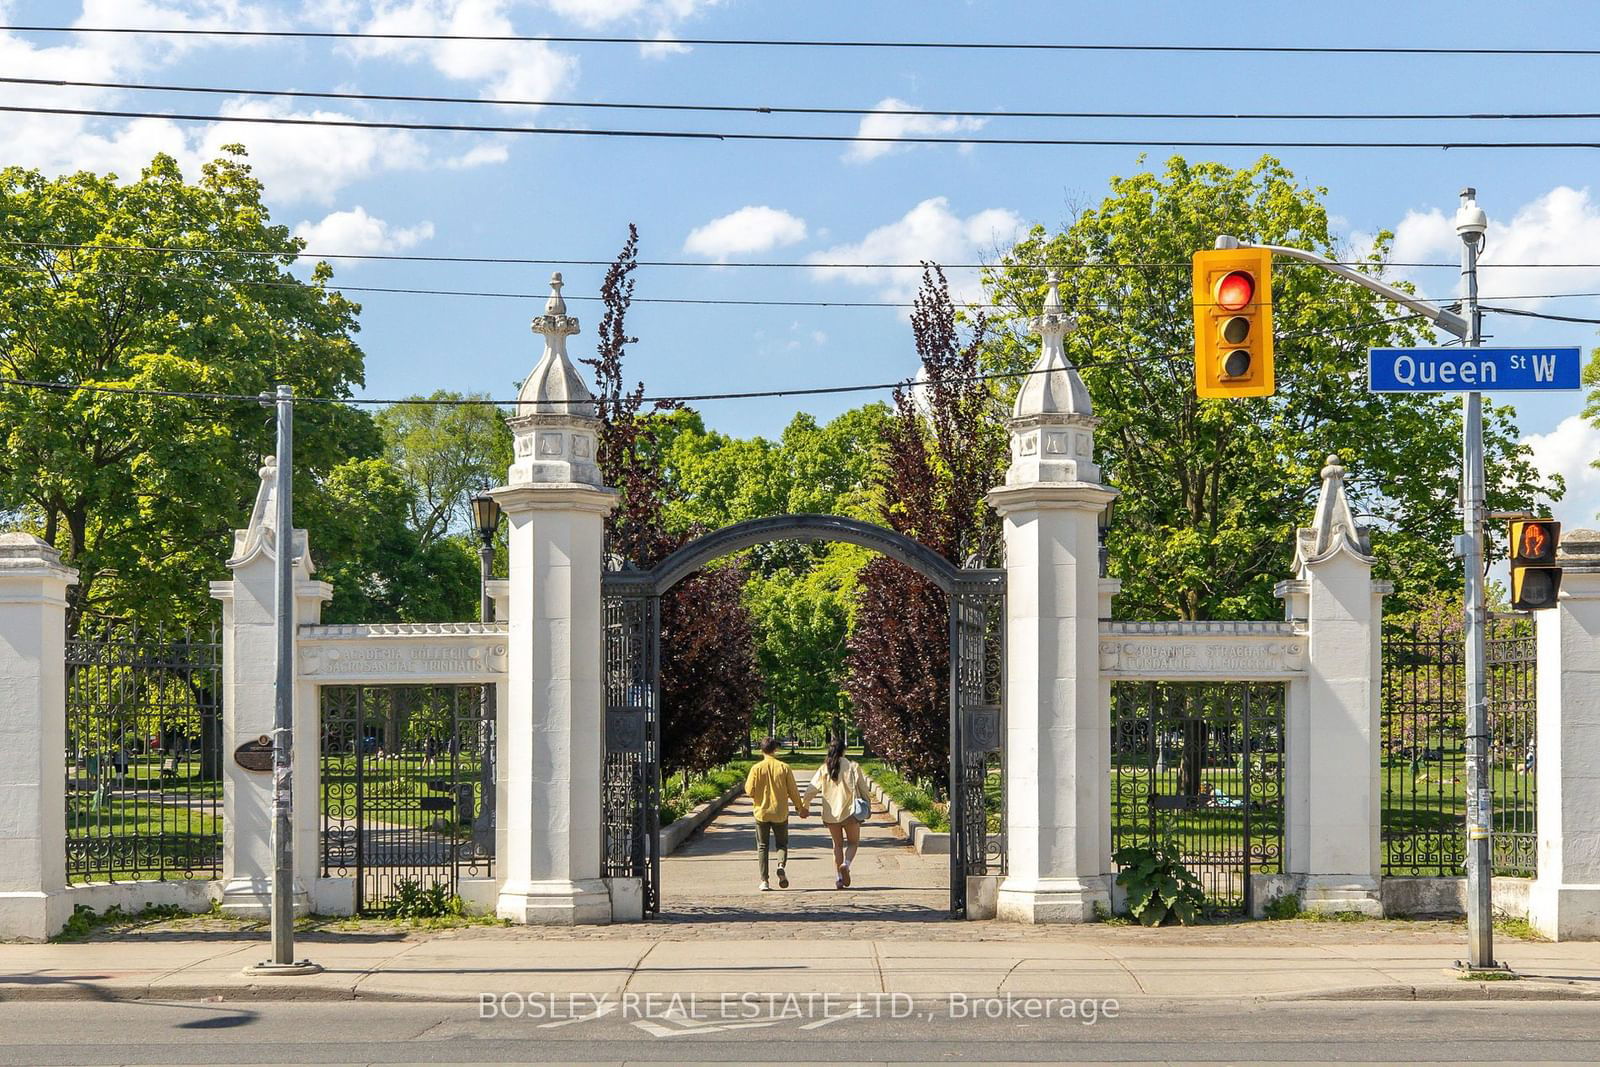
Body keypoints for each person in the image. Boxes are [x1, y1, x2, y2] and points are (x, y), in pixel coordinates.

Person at [804, 736, 870, 890]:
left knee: (837, 845)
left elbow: (811, 789)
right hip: (850, 812)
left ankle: (839, 878)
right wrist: (868, 806)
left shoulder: (824, 768)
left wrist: (804, 805)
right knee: (853, 842)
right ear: (843, 750)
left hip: (831, 815)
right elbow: (863, 788)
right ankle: (846, 865)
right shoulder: (853, 766)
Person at [744, 736, 809, 891]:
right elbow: (793, 791)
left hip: (762, 812)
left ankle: (764, 880)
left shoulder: (756, 768)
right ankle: (780, 865)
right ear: (776, 749)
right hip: (780, 812)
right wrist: (800, 808)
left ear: (761, 750)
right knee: (781, 843)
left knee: (762, 846)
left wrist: (758, 795)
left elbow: (749, 790)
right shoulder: (784, 767)